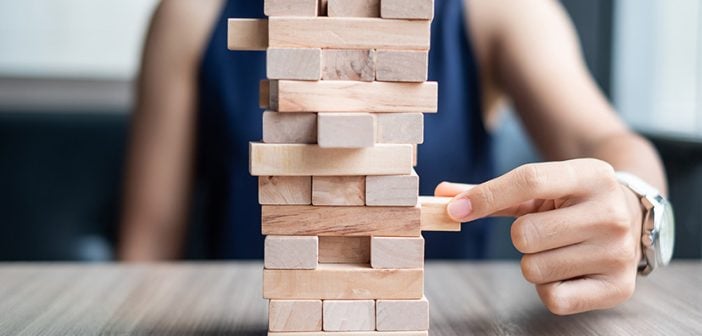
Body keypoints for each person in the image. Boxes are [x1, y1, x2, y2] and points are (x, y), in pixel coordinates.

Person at [119, 0, 669, 315]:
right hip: (258, 318)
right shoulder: (191, 14)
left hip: (433, 321)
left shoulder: (497, 10)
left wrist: (634, 200)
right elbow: (143, 255)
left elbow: (607, 141)